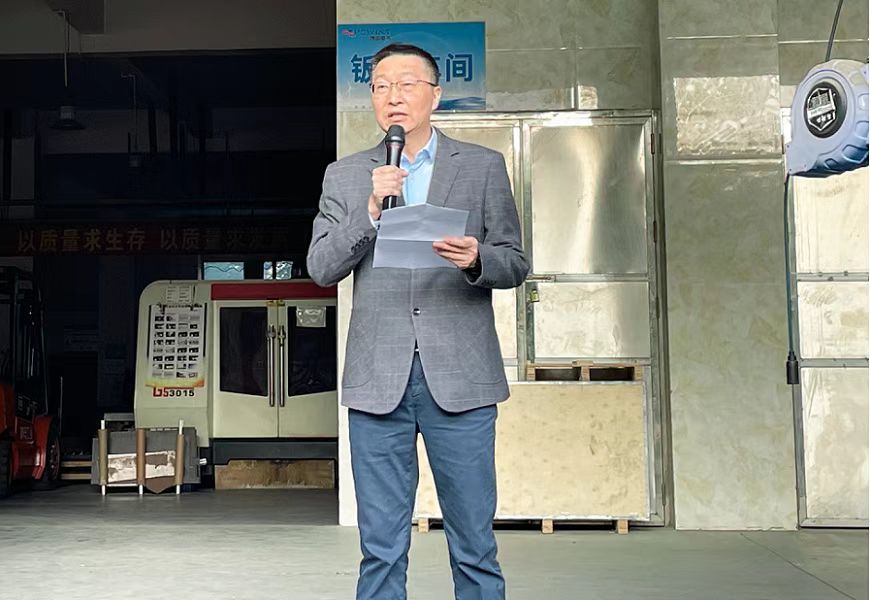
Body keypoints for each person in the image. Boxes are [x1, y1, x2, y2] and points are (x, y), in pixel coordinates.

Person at [306, 43, 529, 600]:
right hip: (378, 379)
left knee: (474, 542)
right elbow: (321, 268)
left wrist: (477, 259)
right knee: (380, 547)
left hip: (461, 378)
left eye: (407, 84)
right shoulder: (346, 175)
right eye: (381, 86)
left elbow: (514, 262)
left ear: (436, 94)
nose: (393, 96)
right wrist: (369, 212)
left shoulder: (481, 166)